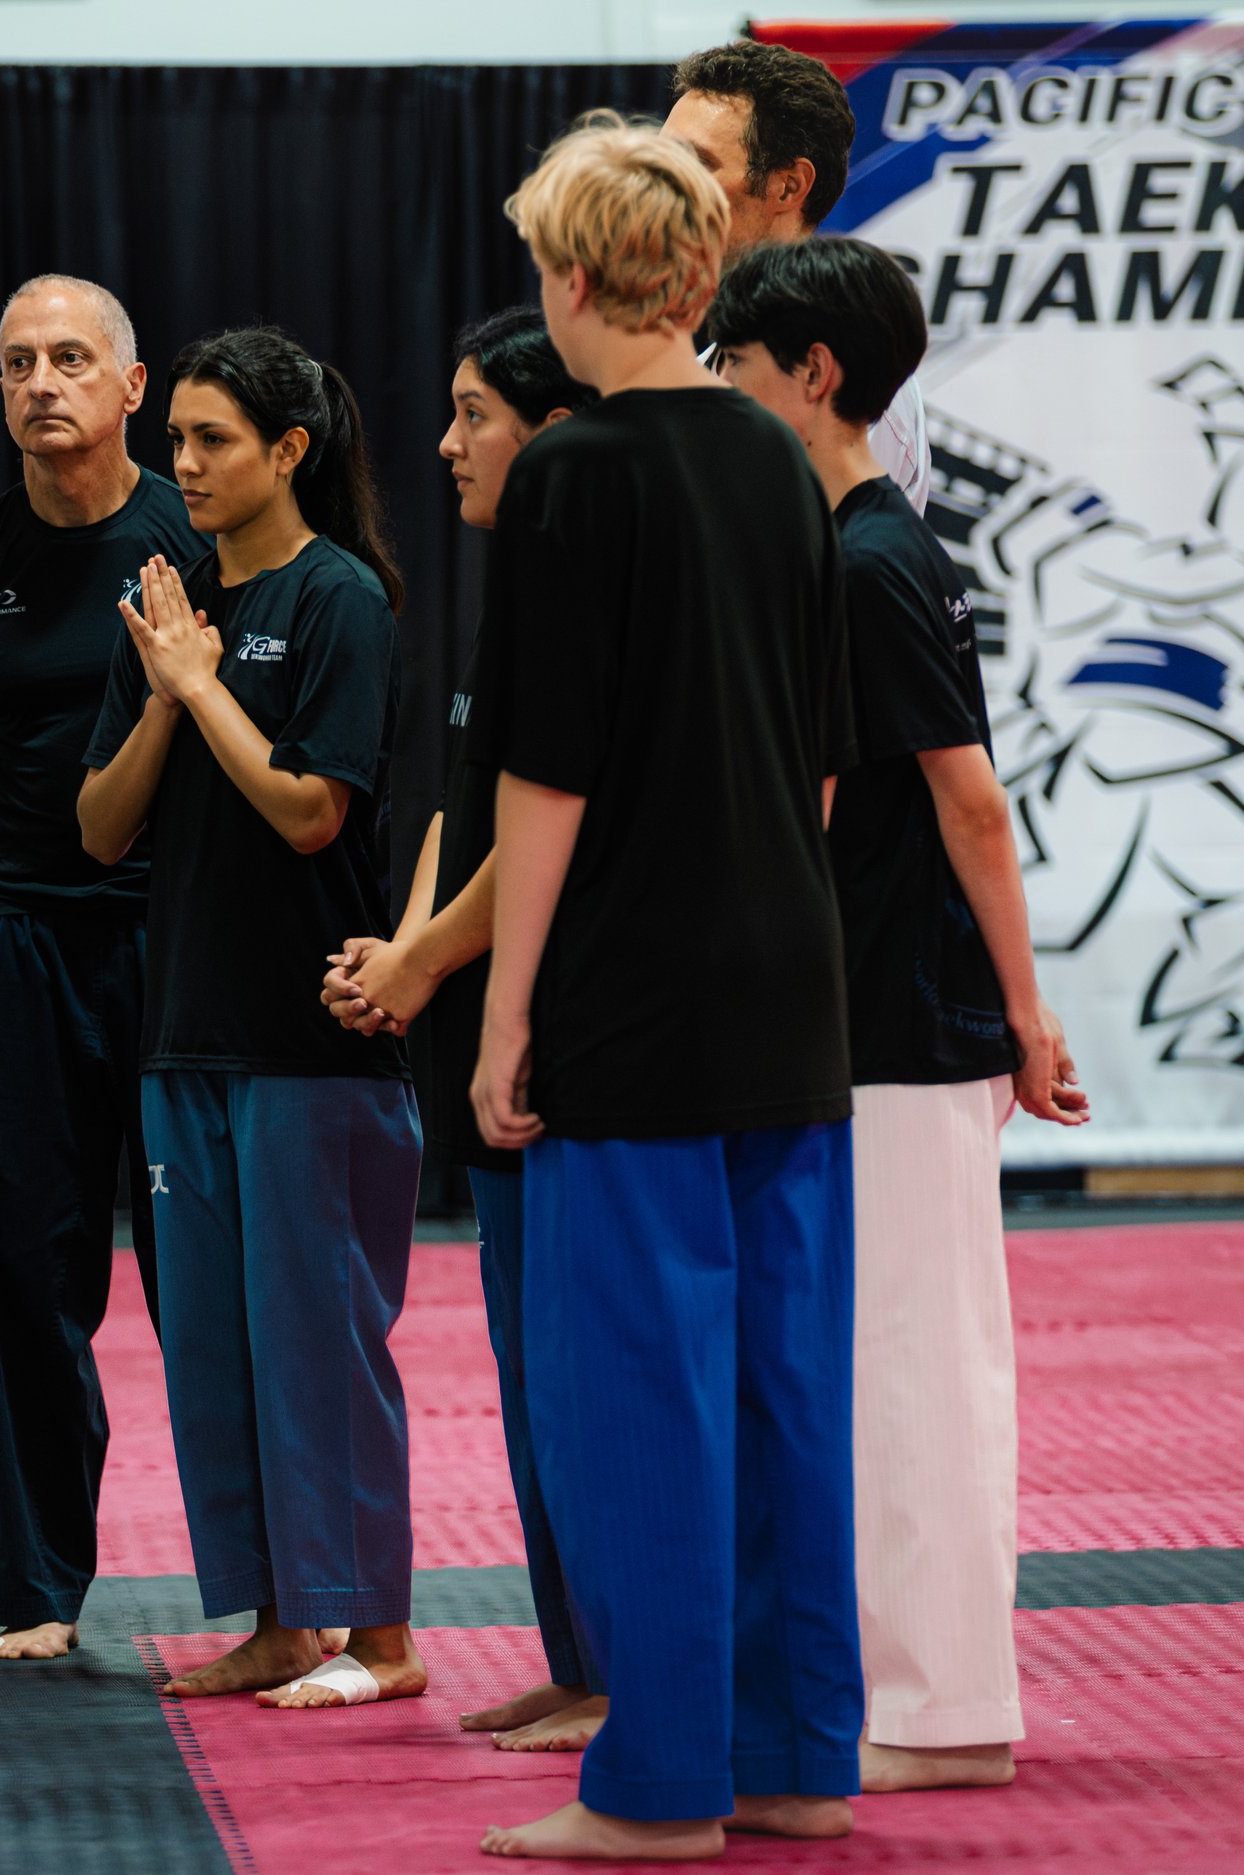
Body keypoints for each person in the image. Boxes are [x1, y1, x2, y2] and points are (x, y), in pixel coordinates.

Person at [468, 117, 863, 1860]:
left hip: (633, 987)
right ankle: (790, 1753)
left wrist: (505, 1018)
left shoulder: (576, 471)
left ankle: (658, 1787)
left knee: (640, 1398)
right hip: (790, 974)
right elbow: (825, 758)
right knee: (785, 1388)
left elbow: (542, 777)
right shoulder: (781, 461)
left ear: (570, 275)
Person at [709, 235, 1091, 1794]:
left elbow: (970, 804)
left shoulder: (872, 559)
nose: (724, 392)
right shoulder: (859, 550)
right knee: (873, 1365)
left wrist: (1025, 1014)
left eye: (737, 366)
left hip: (910, 1027)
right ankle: (899, 1684)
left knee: (919, 1366)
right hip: (867, 1015)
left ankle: (946, 1708)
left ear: (811, 375)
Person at [79, 326, 426, 1713]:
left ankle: (384, 1635)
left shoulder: (341, 597)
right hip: (190, 1031)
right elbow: (101, 826)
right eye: (179, 440)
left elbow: (308, 809)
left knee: (321, 1337)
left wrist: (201, 682)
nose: (186, 464)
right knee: (216, 1344)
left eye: (213, 440)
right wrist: (169, 690)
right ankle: (284, 1620)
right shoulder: (164, 604)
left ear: (290, 451)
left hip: (311, 1036)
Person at [318, 305, 604, 1752]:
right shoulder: (512, 587)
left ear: (550, 425)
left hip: (569, 1034)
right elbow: (457, 805)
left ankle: (620, 1670)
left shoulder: (588, 579)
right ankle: (576, 1653)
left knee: (583, 1369)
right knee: (526, 1363)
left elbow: (551, 825)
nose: (444, 441)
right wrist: (407, 945)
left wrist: (425, 961)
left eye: (474, 410)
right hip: (488, 1013)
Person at [0, 275, 203, 1661]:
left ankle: (271, 1585)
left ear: (132, 386)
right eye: (19, 358)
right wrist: (25, 889)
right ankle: (34, 1587)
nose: (43, 381)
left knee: (205, 1275)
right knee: (27, 1275)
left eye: (72, 357)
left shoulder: (197, 539)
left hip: (178, 941)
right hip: (19, 940)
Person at [663, 38, 931, 512]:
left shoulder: (857, 380)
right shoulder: (706, 362)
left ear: (788, 186)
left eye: (692, 165)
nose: (660, 190)